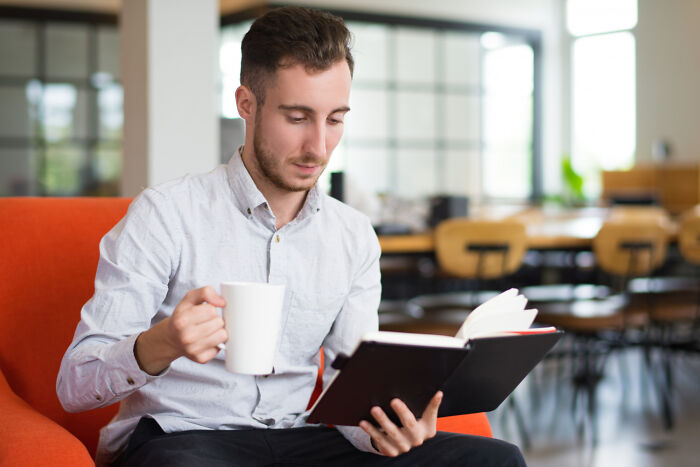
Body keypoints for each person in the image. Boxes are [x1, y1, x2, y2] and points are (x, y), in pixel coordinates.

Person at [57, 6, 526, 467]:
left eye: (336, 119)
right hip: (187, 437)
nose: (318, 147)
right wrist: (163, 342)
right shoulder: (165, 214)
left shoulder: (353, 234)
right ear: (246, 104)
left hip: (301, 438)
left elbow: (351, 383)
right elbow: (74, 385)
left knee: (494, 459)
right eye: (298, 117)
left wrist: (384, 431)